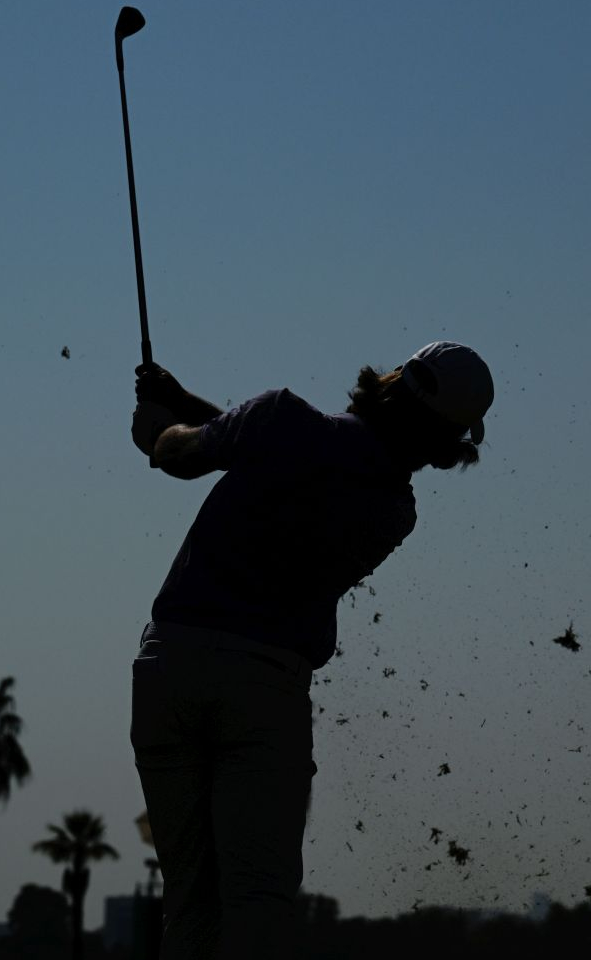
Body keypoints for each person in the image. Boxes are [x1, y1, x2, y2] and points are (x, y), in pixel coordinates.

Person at [127, 341, 493, 959]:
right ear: (446, 446)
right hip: (266, 688)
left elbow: (185, 453)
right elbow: (288, 459)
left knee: (190, 898)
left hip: (170, 667)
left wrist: (160, 427)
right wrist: (184, 397)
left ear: (389, 381)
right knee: (256, 899)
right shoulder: (394, 513)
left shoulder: (278, 417)